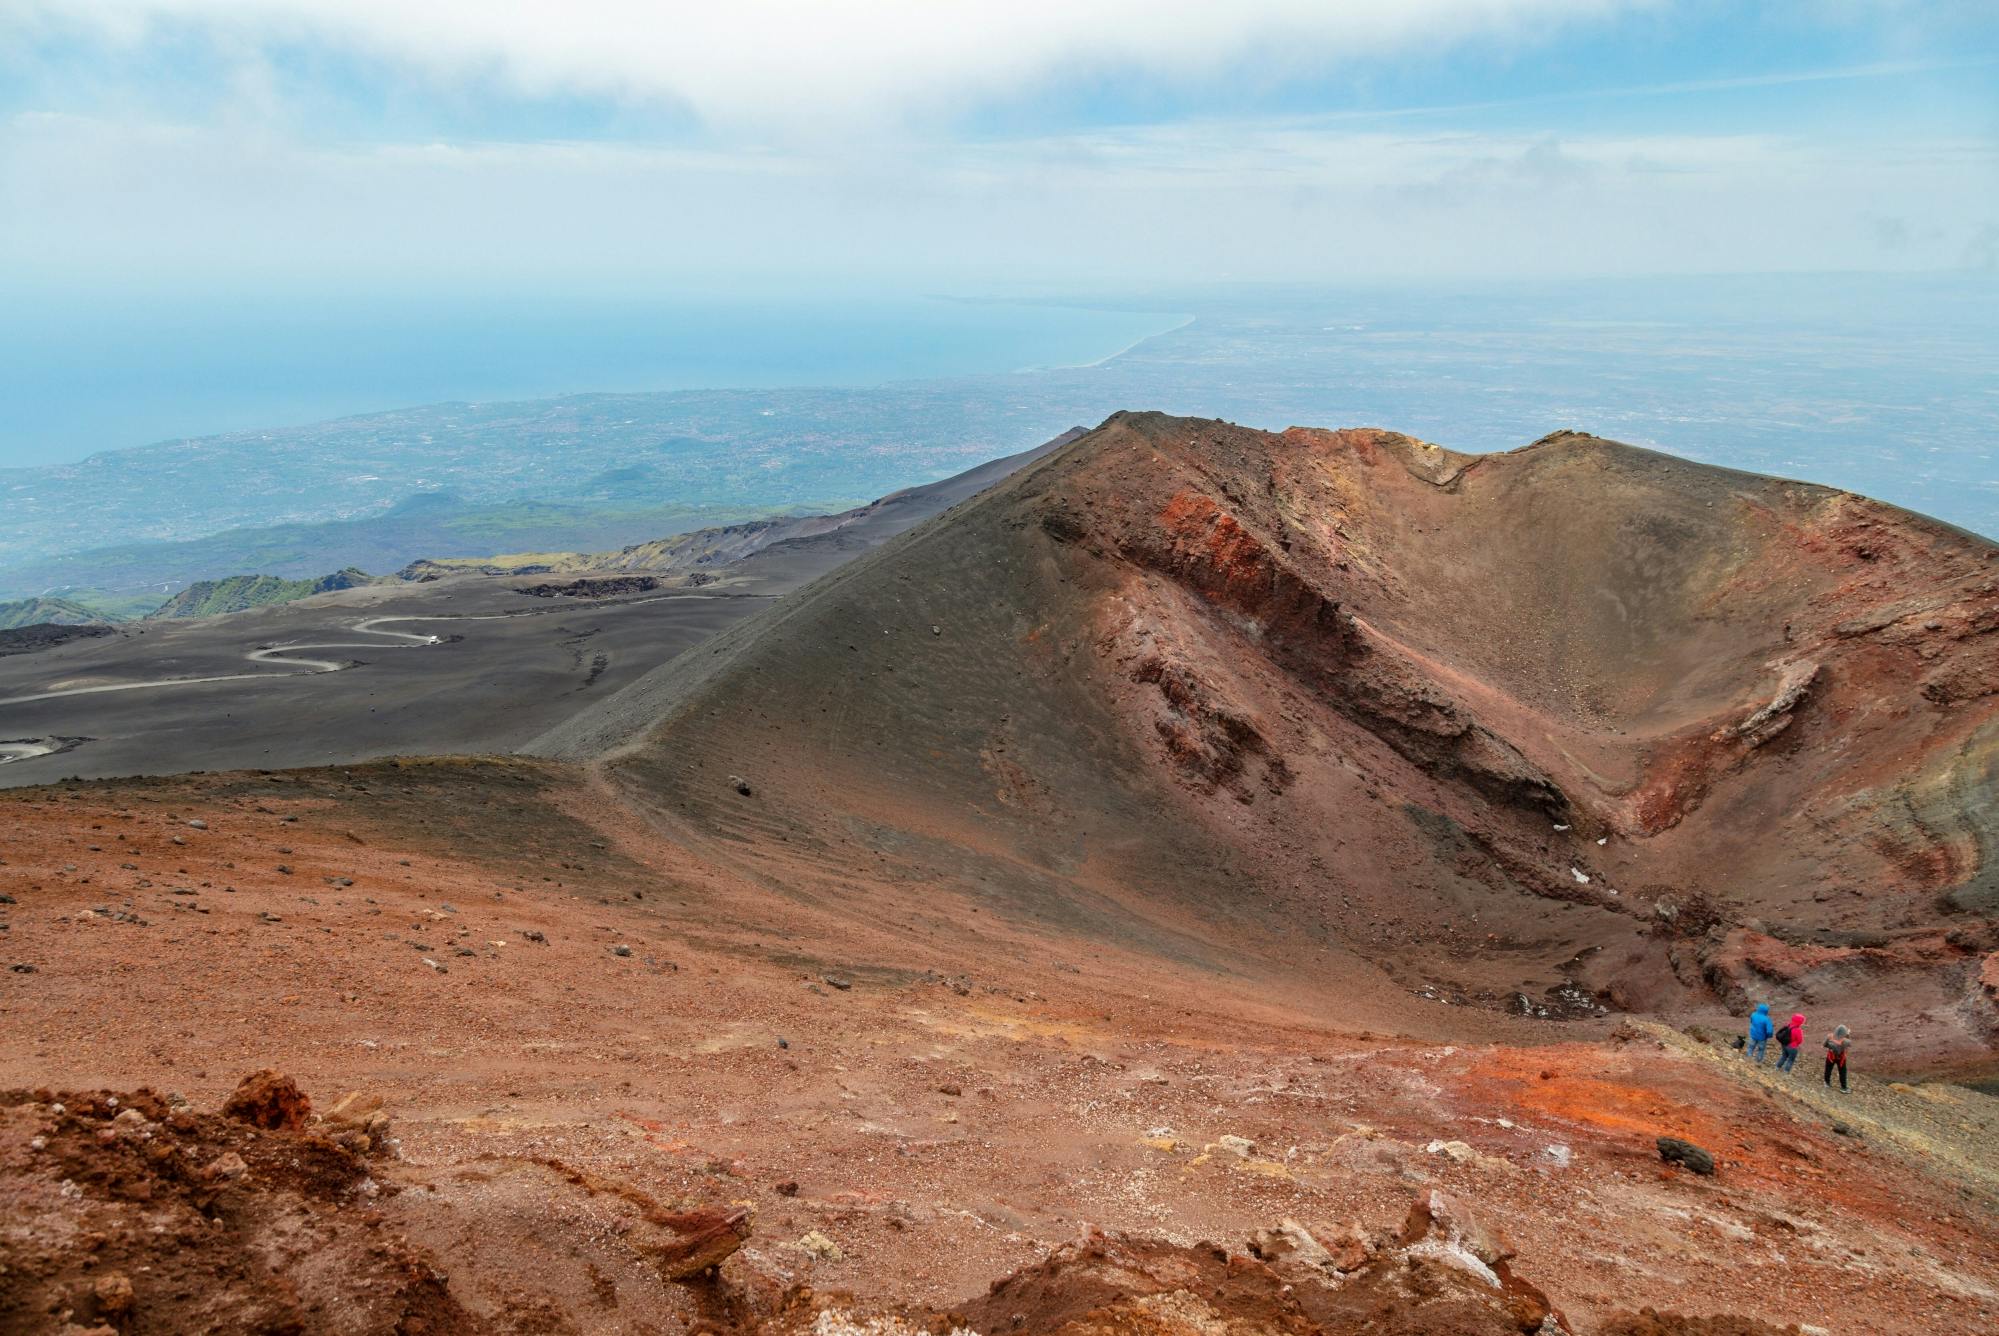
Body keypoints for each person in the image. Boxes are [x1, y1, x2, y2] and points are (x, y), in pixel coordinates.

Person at [1823, 1024, 1851, 1092]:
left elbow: (1824, 1044)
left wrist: (1830, 1044)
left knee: (1828, 1069)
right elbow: (1847, 1045)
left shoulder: (1830, 1036)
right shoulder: (1846, 1041)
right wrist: (1848, 1035)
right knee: (1842, 1072)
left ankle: (1827, 1083)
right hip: (1841, 1058)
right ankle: (1843, 1088)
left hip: (1831, 1056)